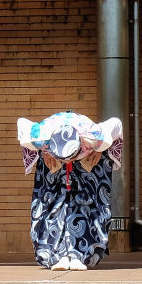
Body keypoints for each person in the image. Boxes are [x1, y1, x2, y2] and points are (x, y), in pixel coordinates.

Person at [17, 111, 123, 271]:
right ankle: (57, 257)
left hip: (86, 165)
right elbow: (22, 122)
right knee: (55, 208)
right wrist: (45, 151)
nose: (69, 162)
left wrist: (100, 149)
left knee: (83, 207)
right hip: (54, 162)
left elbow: (116, 122)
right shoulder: (41, 134)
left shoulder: (95, 135)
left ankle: (80, 256)